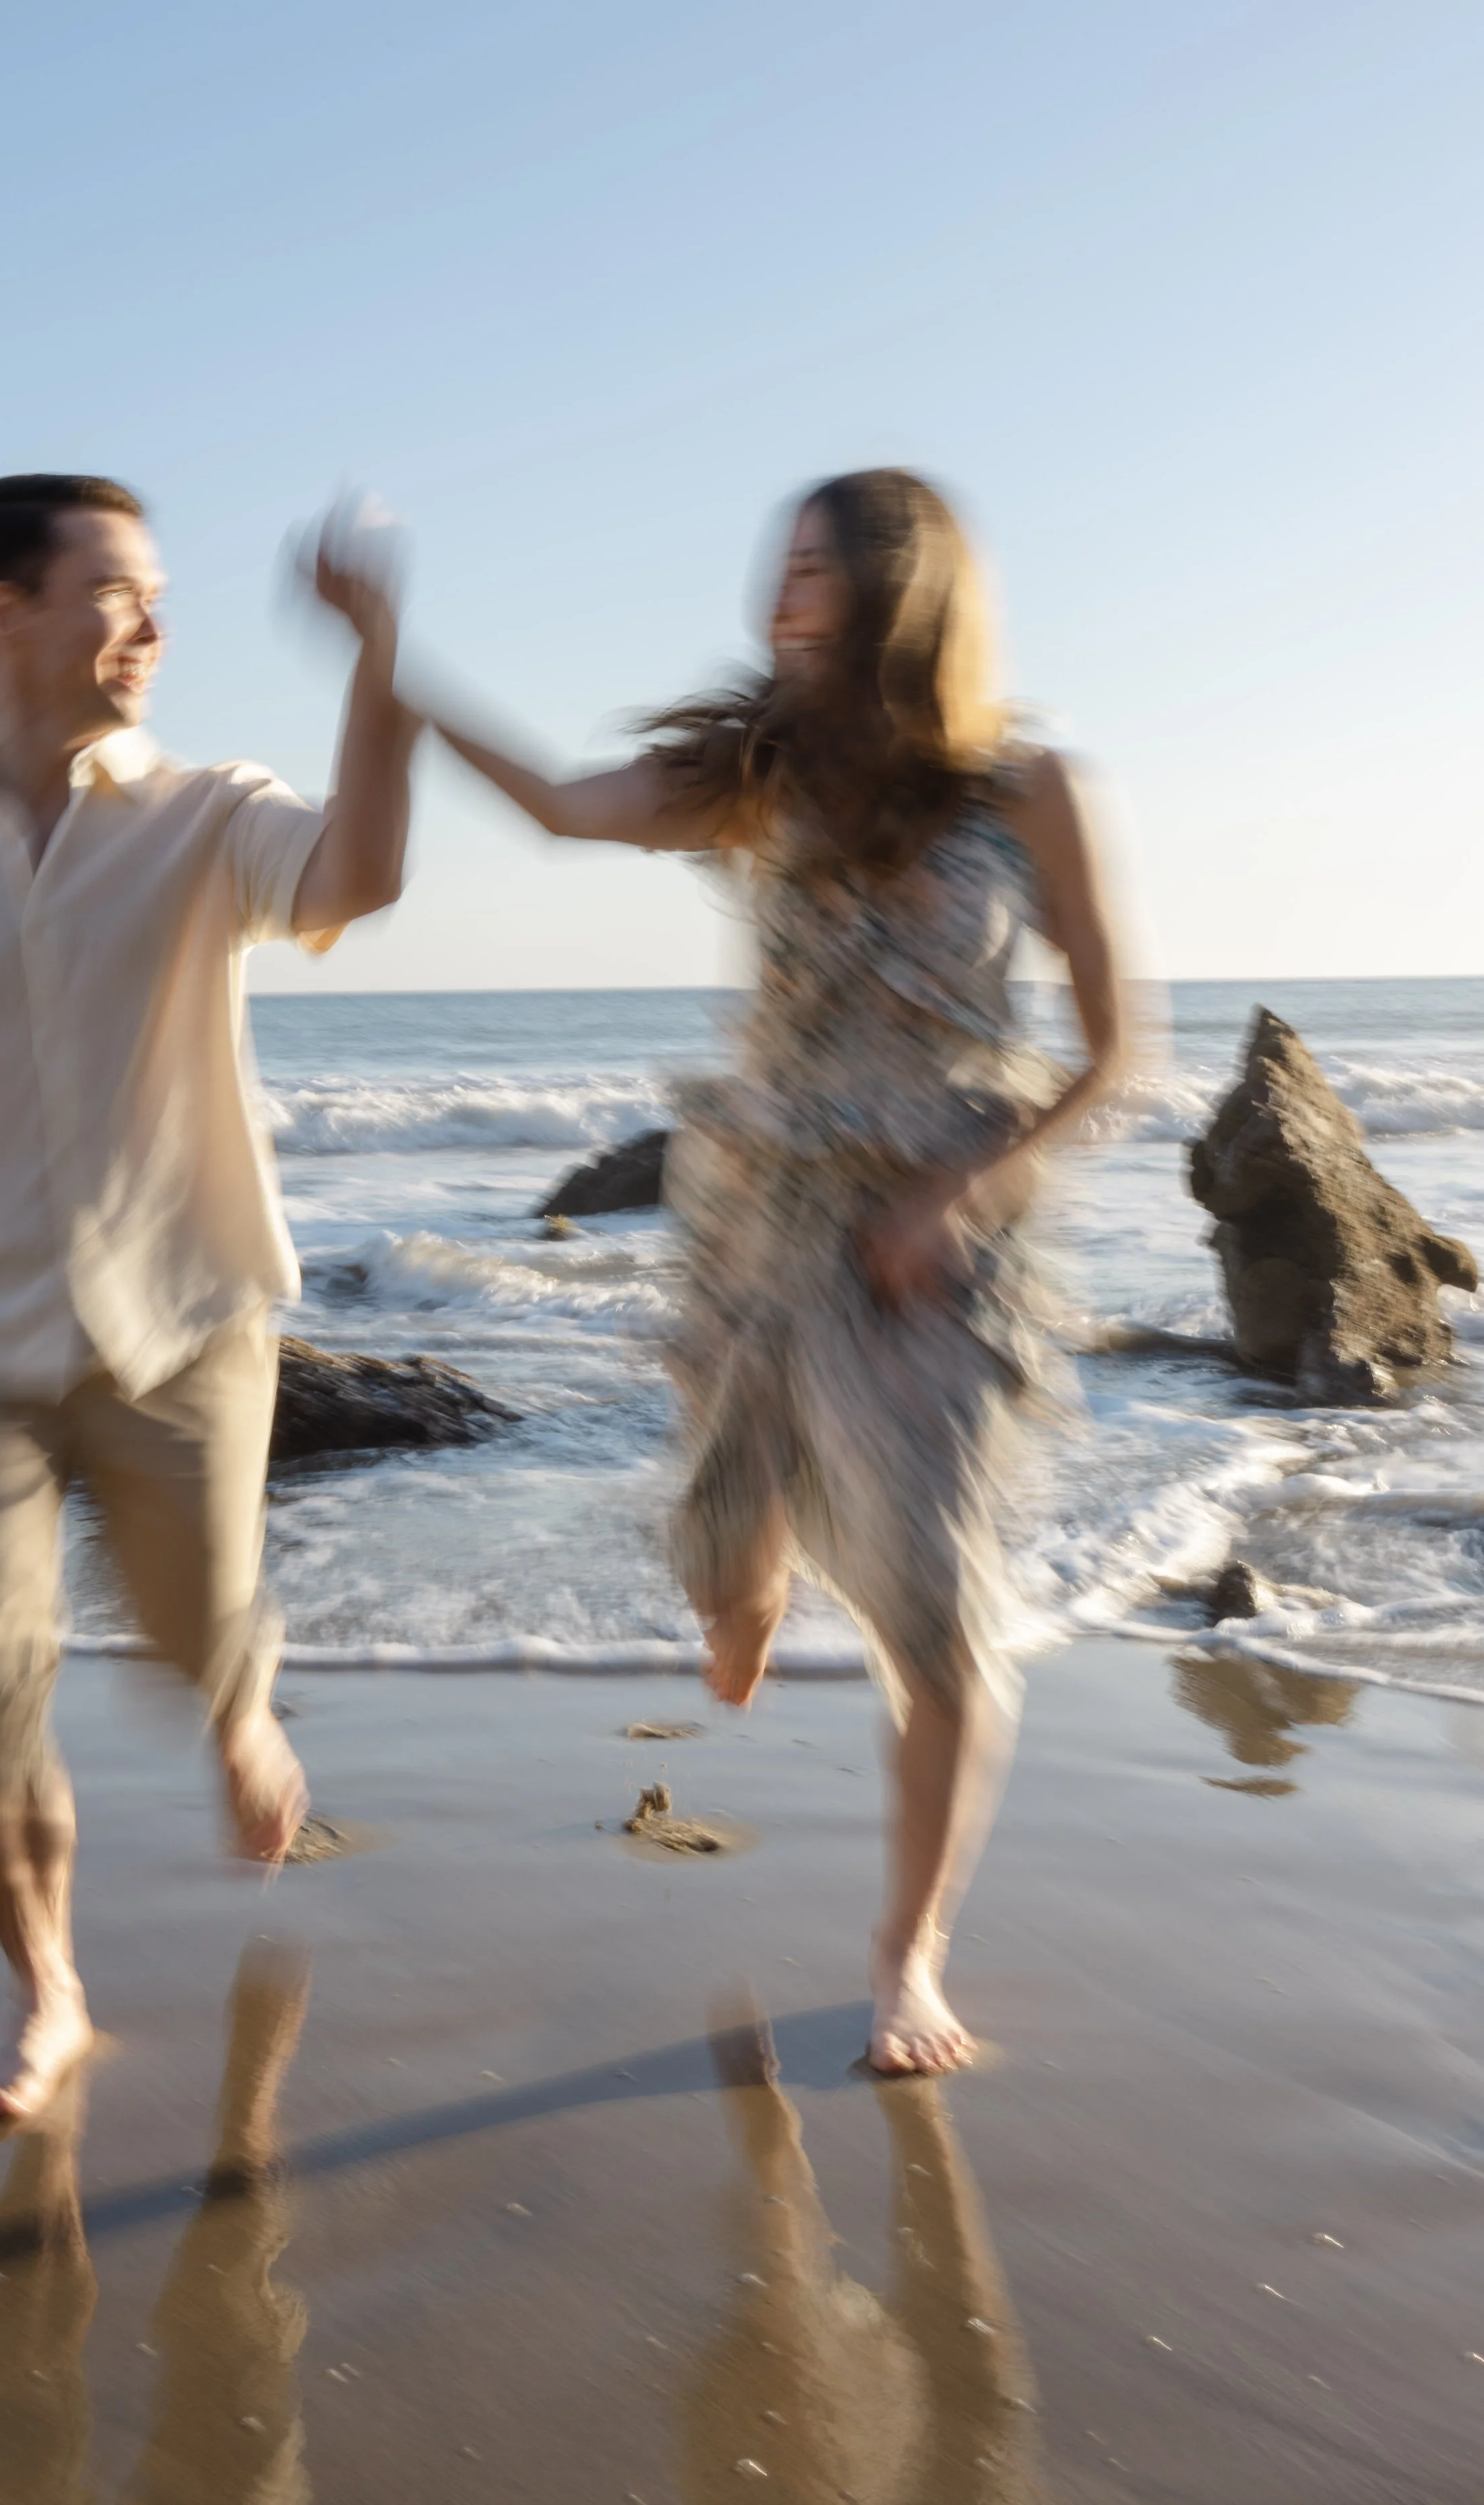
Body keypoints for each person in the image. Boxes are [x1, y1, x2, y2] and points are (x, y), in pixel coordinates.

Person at [421, 468, 1125, 2073]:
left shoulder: (1033, 792)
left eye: (811, 570)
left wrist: (965, 1187)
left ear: (901, 591)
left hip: (934, 1247)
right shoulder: (757, 775)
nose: (777, 595)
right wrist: (391, 665)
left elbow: (1115, 1047)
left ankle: (908, 1957)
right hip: (756, 1223)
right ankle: (751, 1572)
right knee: (724, 1574)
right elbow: (548, 802)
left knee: (941, 1614)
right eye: (778, 568)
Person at [0, 474, 414, 2122]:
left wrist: (377, 668)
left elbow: (353, 879)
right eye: (118, 590)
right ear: (7, 615)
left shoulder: (212, 811)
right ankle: (47, 1989)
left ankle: (238, 1706)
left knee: (197, 1626)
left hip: (182, 1325)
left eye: (156, 594)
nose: (154, 622)